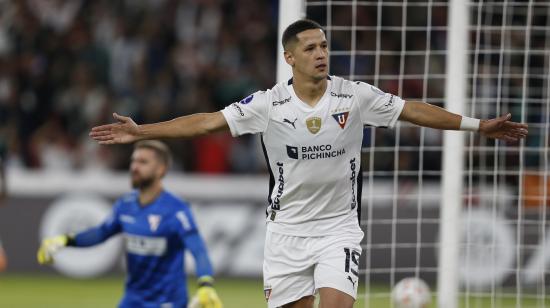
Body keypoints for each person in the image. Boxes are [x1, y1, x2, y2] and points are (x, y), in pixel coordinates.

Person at [89, 19, 528, 308]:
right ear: (290, 58)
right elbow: (206, 123)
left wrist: (475, 125)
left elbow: (412, 109)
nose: (321, 53)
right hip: (285, 233)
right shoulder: (267, 104)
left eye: (324, 45)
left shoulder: (353, 95)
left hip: (338, 227)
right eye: (311, 47)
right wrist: (142, 130)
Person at [37, 140, 222, 308]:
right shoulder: (125, 205)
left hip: (167, 301)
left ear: (161, 170)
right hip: (133, 300)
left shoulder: (176, 209)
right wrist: (64, 240)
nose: (134, 167)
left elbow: (198, 249)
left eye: (143, 162)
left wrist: (205, 284)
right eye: (134, 161)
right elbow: (101, 233)